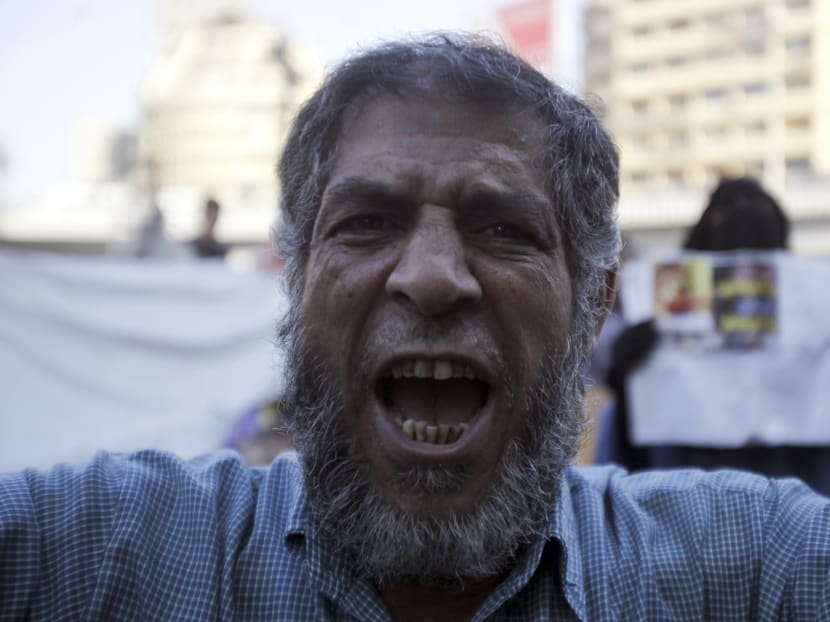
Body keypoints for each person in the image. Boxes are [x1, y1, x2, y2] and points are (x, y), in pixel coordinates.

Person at [1, 35, 828, 620]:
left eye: (503, 228)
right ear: (295, 282)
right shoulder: (109, 551)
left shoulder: (751, 570)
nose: (431, 277)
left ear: (594, 303)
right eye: (367, 223)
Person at [599, 176, 830, 496]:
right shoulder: (653, 339)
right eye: (728, 213)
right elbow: (623, 471)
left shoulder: (817, 327)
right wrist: (630, 376)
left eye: (758, 213)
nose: (744, 224)